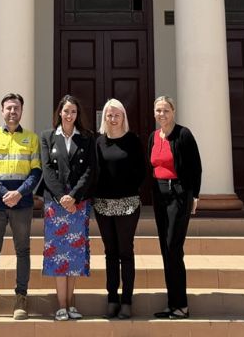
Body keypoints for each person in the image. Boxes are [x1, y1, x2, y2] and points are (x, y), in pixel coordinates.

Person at [0, 93, 41, 321]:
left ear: (22, 111)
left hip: (22, 204)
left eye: (17, 108)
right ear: (2, 111)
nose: (13, 112)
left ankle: (21, 297)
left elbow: (36, 172)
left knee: (23, 251)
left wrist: (19, 193)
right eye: (9, 108)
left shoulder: (31, 139)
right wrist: (5, 193)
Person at [39, 94, 95, 321]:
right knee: (58, 255)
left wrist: (74, 197)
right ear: (59, 113)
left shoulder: (87, 138)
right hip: (55, 203)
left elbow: (90, 170)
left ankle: (71, 304)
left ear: (77, 114)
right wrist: (63, 197)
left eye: (73, 111)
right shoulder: (48, 137)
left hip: (79, 203)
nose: (69, 115)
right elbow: (46, 169)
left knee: (74, 255)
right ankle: (61, 305)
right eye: (65, 111)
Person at [149, 95, 202, 320]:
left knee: (173, 247)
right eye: (159, 110)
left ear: (173, 112)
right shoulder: (153, 136)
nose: (162, 114)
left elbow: (196, 167)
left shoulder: (184, 134)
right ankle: (173, 304)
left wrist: (195, 196)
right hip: (159, 196)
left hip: (179, 195)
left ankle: (181, 305)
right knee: (165, 249)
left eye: (166, 110)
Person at [94, 98, 145, 320]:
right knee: (110, 253)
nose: (113, 119)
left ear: (123, 117)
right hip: (103, 205)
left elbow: (142, 170)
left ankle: (127, 300)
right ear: (104, 117)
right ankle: (112, 298)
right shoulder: (98, 142)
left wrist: (129, 188)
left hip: (127, 205)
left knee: (126, 251)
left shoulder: (133, 140)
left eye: (117, 115)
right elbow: (93, 171)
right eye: (109, 115)